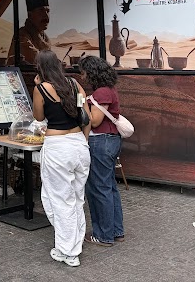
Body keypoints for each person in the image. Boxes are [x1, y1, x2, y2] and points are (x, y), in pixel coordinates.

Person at [32, 50, 91, 268]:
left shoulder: (41, 89)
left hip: (57, 147)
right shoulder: (75, 85)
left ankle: (69, 251)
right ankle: (74, 243)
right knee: (77, 197)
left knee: (59, 199)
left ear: (40, 68)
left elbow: (38, 117)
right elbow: (87, 117)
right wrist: (84, 142)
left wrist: (38, 85)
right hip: (79, 145)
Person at [81, 56, 124, 248]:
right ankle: (116, 231)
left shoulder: (102, 92)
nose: (82, 77)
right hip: (110, 141)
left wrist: (83, 104)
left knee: (99, 189)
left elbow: (95, 121)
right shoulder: (109, 89)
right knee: (109, 187)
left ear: (92, 73)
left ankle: (103, 235)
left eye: (84, 73)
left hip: (101, 141)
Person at [8, 0, 52, 66]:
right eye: (41, 11)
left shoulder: (45, 39)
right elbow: (35, 58)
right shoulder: (21, 35)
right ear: (30, 15)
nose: (46, 16)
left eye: (47, 11)